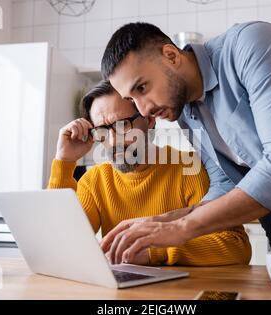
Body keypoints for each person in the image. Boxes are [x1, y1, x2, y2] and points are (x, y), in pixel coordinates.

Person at [99, 21, 271, 265]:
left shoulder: (253, 43)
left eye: (142, 88)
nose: (143, 109)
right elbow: (225, 185)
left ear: (171, 55)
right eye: (132, 99)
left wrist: (182, 228)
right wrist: (162, 221)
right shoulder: (186, 112)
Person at [48, 80, 251, 266]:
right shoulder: (94, 181)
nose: (113, 141)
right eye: (101, 130)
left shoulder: (188, 169)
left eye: (122, 125)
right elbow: (58, 245)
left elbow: (236, 246)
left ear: (149, 120)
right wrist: (65, 162)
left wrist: (155, 251)